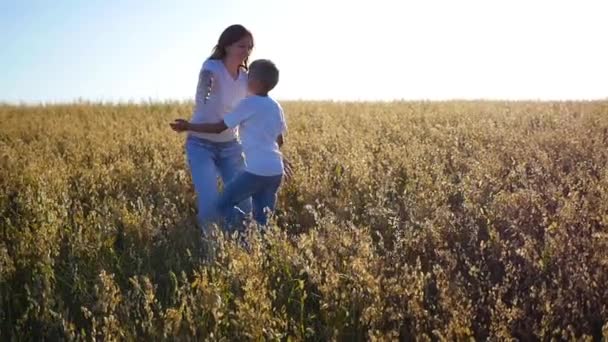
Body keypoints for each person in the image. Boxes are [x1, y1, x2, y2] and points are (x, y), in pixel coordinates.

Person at [171, 59, 287, 228]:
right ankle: (258, 243)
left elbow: (219, 128)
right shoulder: (276, 107)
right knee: (264, 218)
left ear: (256, 82)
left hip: (256, 172)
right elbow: (280, 140)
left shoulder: (248, 104)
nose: (245, 79)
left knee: (222, 205)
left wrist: (188, 126)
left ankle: (245, 226)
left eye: (249, 75)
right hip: (276, 171)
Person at [183, 24, 254, 230]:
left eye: (250, 47)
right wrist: (205, 89)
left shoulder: (245, 79)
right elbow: (206, 79)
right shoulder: (212, 67)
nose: (247, 51)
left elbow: (254, 112)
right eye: (242, 46)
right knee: (209, 203)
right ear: (227, 46)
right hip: (200, 145)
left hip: (231, 147)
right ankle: (212, 250)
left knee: (244, 204)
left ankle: (242, 250)